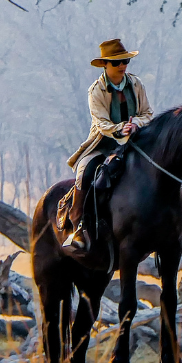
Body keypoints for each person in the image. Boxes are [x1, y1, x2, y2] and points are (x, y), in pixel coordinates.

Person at [62, 38, 153, 253]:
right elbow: (101, 123)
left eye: (125, 62)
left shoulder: (137, 84)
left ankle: (174, 229)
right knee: (85, 173)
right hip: (103, 143)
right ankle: (78, 228)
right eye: (117, 63)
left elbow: (147, 113)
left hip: (136, 141)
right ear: (105, 64)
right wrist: (121, 128)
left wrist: (136, 125)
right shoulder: (96, 90)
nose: (122, 66)